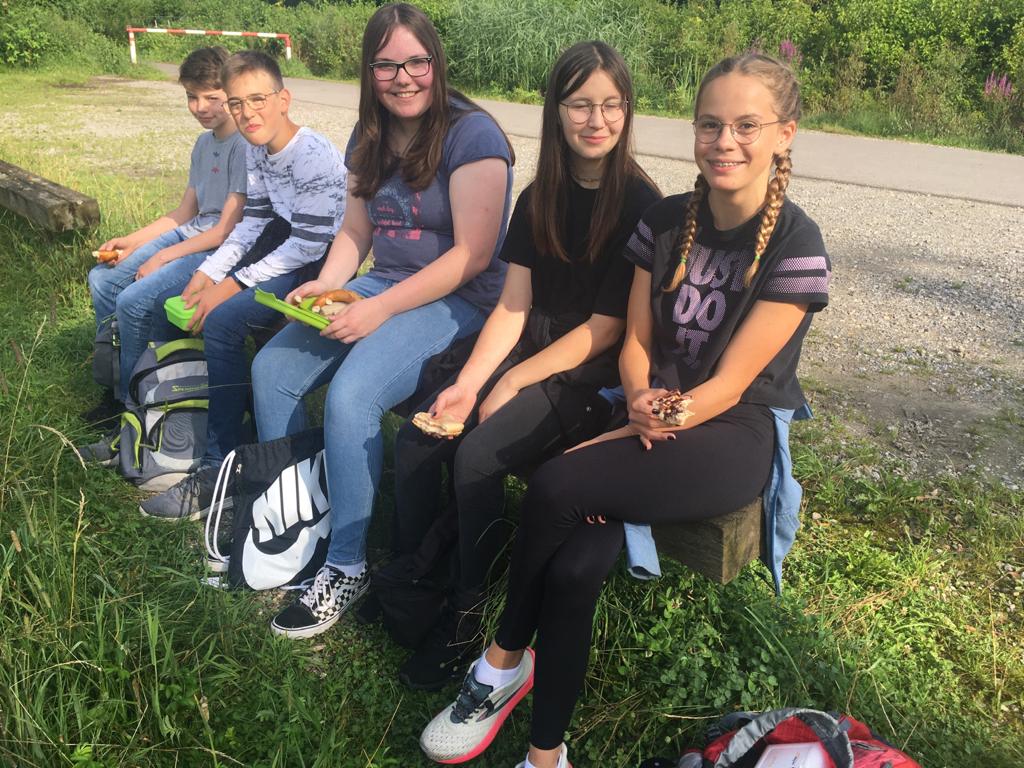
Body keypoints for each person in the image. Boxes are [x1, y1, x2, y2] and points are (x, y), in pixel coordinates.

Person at [420, 53, 832, 768]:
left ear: (784, 134)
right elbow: (635, 340)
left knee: (556, 483)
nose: (724, 142)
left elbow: (733, 383)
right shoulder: (666, 220)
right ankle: (546, 756)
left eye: (746, 126)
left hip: (728, 433)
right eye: (709, 124)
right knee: (575, 569)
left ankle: (501, 659)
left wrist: (661, 416)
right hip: (644, 414)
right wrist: (639, 397)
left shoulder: (797, 244)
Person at [390, 41, 661, 691]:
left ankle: (468, 610)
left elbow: (606, 329)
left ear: (627, 110)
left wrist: (511, 380)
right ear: (556, 111)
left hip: (589, 376)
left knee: (477, 457)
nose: (596, 120)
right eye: (580, 105)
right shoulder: (540, 196)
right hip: (530, 347)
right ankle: (416, 577)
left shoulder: (640, 205)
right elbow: (513, 306)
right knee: (424, 433)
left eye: (612, 105)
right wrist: (469, 383)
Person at [249, 2, 515, 640]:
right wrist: (329, 284)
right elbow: (357, 230)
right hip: (383, 283)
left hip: (460, 298)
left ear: (436, 63)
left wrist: (377, 309)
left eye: (416, 62)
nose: (404, 77)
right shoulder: (368, 135)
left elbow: (473, 255)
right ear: (370, 72)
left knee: (353, 394)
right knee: (272, 368)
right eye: (387, 65)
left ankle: (347, 565)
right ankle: (299, 518)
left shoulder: (473, 135)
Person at [138, 49, 348, 520]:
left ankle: (220, 466)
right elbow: (253, 221)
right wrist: (208, 273)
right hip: (284, 238)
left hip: (321, 258)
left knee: (223, 321)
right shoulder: (256, 148)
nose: (247, 113)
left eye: (258, 100)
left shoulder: (312, 154)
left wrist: (230, 286)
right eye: (237, 103)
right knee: (180, 301)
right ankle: (175, 429)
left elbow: (309, 245)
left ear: (283, 100)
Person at [85, 46, 246, 421]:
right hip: (189, 235)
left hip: (215, 249)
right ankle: (118, 379)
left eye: (211, 97)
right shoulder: (204, 144)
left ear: (231, 93)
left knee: (133, 300)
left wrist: (161, 257)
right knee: (103, 281)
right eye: (192, 96)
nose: (200, 107)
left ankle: (135, 408)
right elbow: (184, 213)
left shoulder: (242, 145)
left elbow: (225, 232)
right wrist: (134, 241)